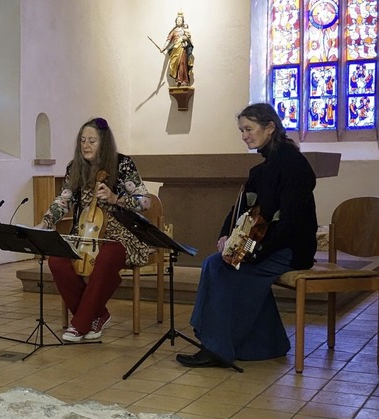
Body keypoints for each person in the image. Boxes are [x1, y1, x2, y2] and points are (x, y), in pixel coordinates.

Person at [176, 103, 318, 368]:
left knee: (219, 267)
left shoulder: (293, 164)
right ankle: (268, 344)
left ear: (270, 127)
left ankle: (215, 348)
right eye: (241, 130)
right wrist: (225, 235)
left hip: (289, 249)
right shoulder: (262, 168)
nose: (244, 135)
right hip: (267, 246)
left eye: (248, 129)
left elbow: (292, 222)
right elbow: (240, 209)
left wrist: (253, 252)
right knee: (215, 262)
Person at [35, 117, 152, 342]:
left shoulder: (122, 164)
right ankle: (98, 315)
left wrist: (115, 198)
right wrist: (46, 222)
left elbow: (144, 202)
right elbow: (64, 200)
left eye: (92, 141)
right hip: (85, 234)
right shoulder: (75, 168)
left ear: (104, 143)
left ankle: (79, 324)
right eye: (82, 141)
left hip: (121, 234)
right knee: (57, 260)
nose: (85, 145)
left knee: (105, 257)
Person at [160, 12, 194, 87]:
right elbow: (168, 40)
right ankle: (178, 79)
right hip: (175, 49)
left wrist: (185, 38)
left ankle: (183, 80)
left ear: (182, 22)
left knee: (182, 63)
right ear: (176, 21)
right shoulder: (173, 31)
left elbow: (188, 38)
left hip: (182, 49)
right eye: (178, 20)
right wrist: (163, 48)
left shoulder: (184, 30)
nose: (179, 21)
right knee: (176, 64)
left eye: (180, 20)